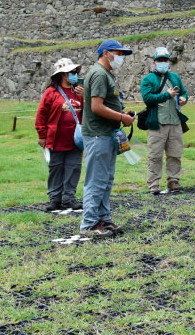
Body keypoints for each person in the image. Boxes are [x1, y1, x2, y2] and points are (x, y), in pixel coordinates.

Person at [80, 40, 135, 239]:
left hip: (106, 133)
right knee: (96, 180)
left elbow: (105, 104)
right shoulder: (99, 74)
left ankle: (103, 218)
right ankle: (89, 223)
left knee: (106, 179)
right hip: (98, 134)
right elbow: (96, 106)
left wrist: (122, 112)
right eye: (118, 53)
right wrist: (121, 117)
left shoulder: (105, 74)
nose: (120, 58)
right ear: (105, 53)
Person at [35, 58, 84, 212]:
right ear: (63, 74)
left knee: (73, 167)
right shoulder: (51, 93)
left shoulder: (80, 91)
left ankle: (69, 198)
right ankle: (55, 198)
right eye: (72, 72)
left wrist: (85, 95)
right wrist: (42, 135)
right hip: (56, 139)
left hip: (76, 139)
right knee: (56, 168)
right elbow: (42, 114)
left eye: (75, 72)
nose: (74, 74)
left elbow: (89, 110)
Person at [140, 47, 188, 195]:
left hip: (175, 121)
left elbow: (184, 92)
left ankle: (174, 180)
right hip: (157, 122)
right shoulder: (147, 79)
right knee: (155, 155)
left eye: (165, 60)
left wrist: (183, 98)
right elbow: (148, 99)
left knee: (175, 153)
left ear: (168, 62)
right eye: (159, 60)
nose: (162, 63)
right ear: (154, 63)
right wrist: (166, 95)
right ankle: (153, 183)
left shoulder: (175, 77)